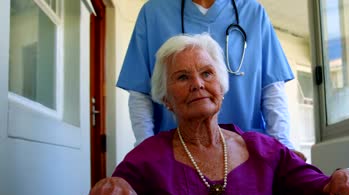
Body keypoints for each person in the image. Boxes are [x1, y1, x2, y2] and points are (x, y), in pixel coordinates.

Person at [63, 34, 349, 195]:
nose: (198, 84)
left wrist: (341, 176)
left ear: (221, 87)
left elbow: (321, 186)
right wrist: (102, 192)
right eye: (182, 77)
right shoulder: (147, 158)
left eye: (206, 73)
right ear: (166, 99)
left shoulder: (265, 150)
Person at [117, 0, 306, 159]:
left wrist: (283, 149)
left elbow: (272, 89)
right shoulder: (154, 13)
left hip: (248, 153)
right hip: (176, 154)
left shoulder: (253, 12)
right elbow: (140, 93)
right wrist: (146, 150)